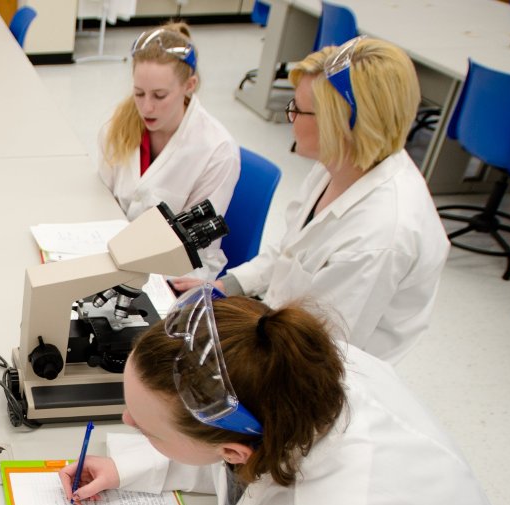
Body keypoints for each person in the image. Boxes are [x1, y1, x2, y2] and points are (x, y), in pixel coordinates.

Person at [59, 286, 495, 505]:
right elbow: (220, 446)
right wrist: (132, 467)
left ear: (233, 452)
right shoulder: (284, 363)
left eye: (145, 429)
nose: (124, 418)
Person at [174, 37, 448, 364]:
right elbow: (291, 249)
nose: (290, 117)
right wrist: (226, 286)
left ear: (340, 125)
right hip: (282, 326)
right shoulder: (340, 163)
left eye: (298, 109)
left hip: (317, 374)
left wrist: (231, 321)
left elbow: (317, 352)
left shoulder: (379, 235)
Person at [98, 23, 241, 278]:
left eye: (160, 96)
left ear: (190, 85)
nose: (147, 108)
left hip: (177, 275)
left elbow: (197, 249)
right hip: (115, 256)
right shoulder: (118, 127)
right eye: (139, 93)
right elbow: (102, 199)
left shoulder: (216, 151)